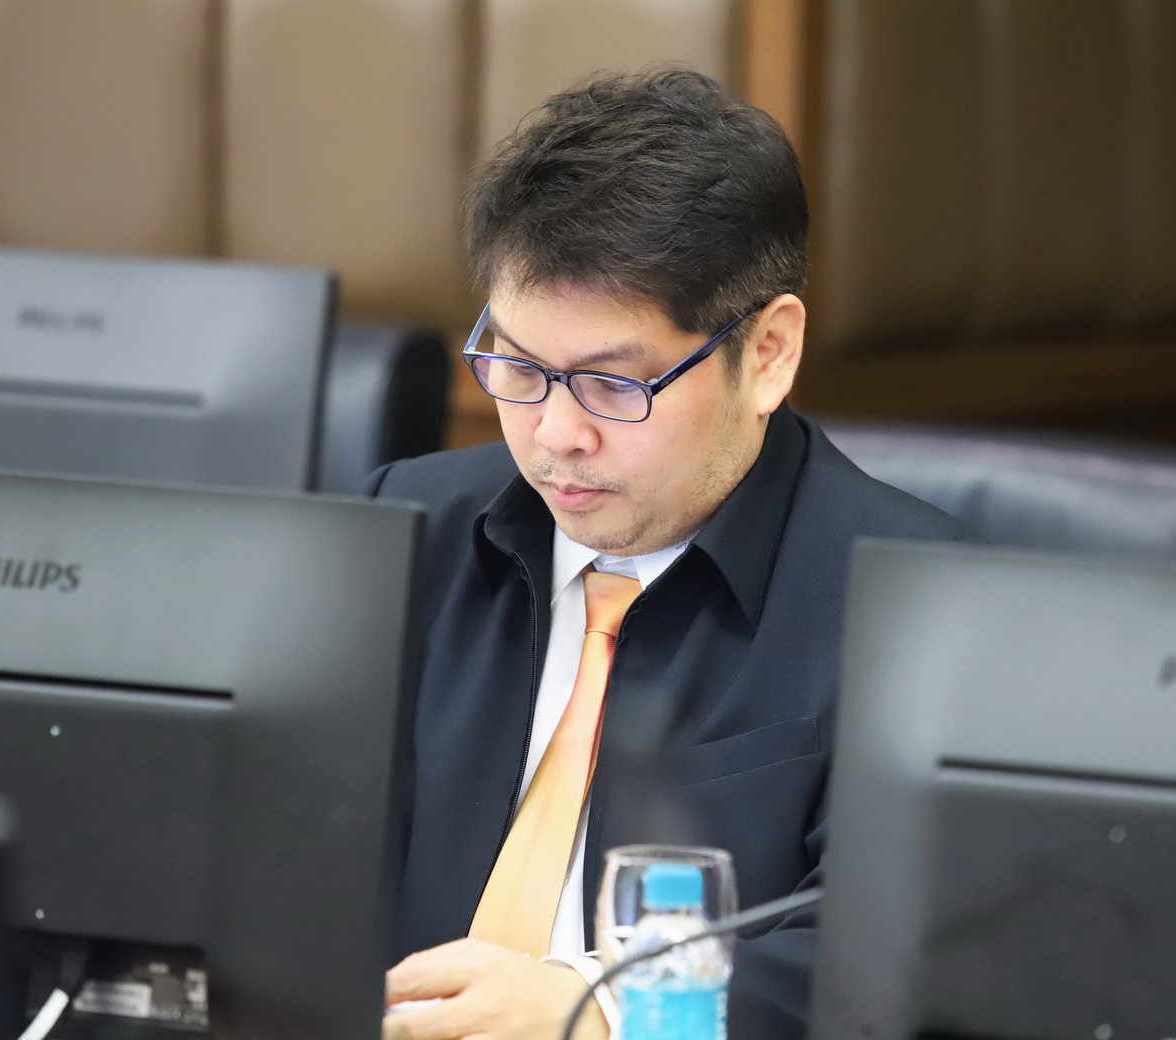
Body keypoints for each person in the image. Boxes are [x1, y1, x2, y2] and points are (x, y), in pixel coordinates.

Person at [366, 68, 973, 1040]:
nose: (556, 435)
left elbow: (913, 949)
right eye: (518, 367)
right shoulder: (407, 523)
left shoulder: (922, 605)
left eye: (614, 386)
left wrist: (608, 1008)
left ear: (767, 353)